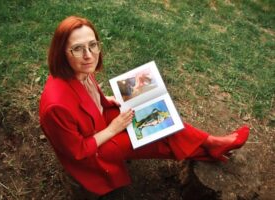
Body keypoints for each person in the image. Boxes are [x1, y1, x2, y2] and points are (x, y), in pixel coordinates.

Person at [39, 16, 249, 196]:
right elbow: (78, 151)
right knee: (157, 134)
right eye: (77, 48)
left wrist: (106, 100)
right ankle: (210, 146)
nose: (89, 54)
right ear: (62, 52)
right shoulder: (56, 107)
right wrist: (114, 128)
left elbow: (87, 96)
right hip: (95, 150)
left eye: (92, 45)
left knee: (156, 110)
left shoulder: (79, 68)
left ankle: (211, 143)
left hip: (98, 121)